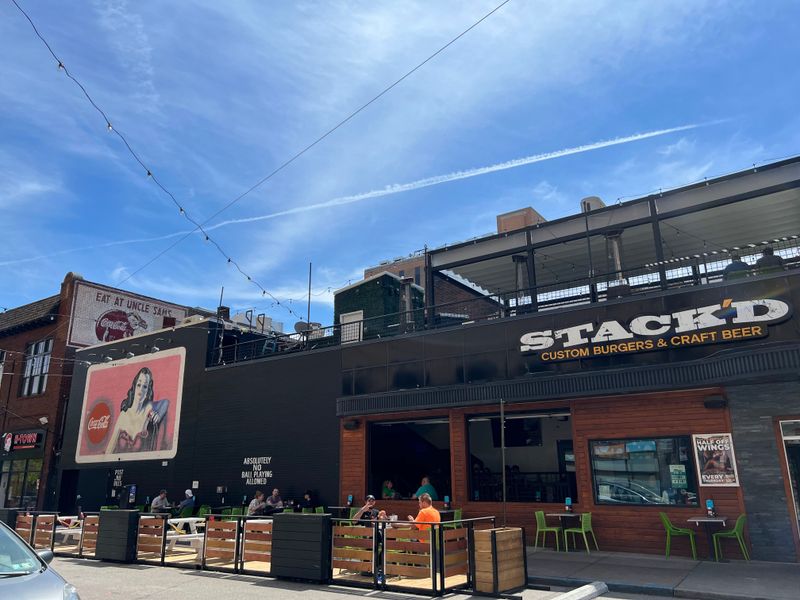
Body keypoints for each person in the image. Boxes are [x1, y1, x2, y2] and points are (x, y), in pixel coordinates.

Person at [107, 367, 170, 454]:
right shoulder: (123, 415)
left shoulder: (148, 408)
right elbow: (109, 449)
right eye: (139, 385)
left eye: (145, 386)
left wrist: (158, 415)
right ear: (134, 386)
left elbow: (166, 402)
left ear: (148, 391)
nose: (141, 390)